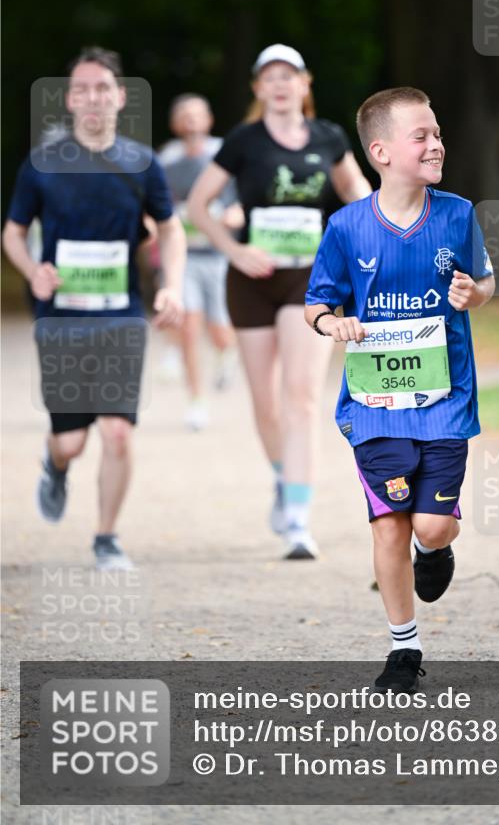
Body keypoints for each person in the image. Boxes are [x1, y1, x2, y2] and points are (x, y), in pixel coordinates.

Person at [304, 87, 495, 692]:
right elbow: (317, 302)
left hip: (444, 401)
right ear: (381, 151)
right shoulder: (347, 226)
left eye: (437, 134)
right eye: (422, 136)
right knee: (389, 522)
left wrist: (475, 294)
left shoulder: (458, 214)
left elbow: (484, 281)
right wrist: (333, 323)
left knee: (430, 527)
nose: (436, 143)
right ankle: (403, 649)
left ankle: (436, 552)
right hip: (374, 404)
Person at [2, 46, 185, 570]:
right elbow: (12, 234)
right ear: (69, 99)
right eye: (81, 89)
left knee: (118, 430)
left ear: (120, 96)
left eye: (102, 88)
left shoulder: (140, 163)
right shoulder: (42, 164)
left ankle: (107, 537)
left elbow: (169, 229)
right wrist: (32, 268)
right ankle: (55, 464)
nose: (92, 98)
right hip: (60, 318)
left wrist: (172, 285)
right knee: (72, 442)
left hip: (121, 313)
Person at [188, 44, 371, 559]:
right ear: (257, 88)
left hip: (309, 283)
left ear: (305, 83)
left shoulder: (328, 137)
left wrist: (380, 233)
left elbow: (357, 197)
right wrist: (234, 249)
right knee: (265, 403)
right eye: (269, 76)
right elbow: (200, 205)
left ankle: (297, 520)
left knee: (302, 396)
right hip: (252, 281)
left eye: (289, 75)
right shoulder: (243, 142)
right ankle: (281, 477)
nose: (280, 84)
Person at [161, 93, 243, 430]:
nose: (191, 121)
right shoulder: (166, 159)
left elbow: (241, 197)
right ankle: (196, 401)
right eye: (184, 115)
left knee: (220, 332)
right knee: (188, 327)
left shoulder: (224, 153)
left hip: (220, 254)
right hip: (186, 257)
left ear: (208, 120)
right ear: (175, 123)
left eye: (197, 115)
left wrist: (237, 213)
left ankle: (228, 354)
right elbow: (159, 204)